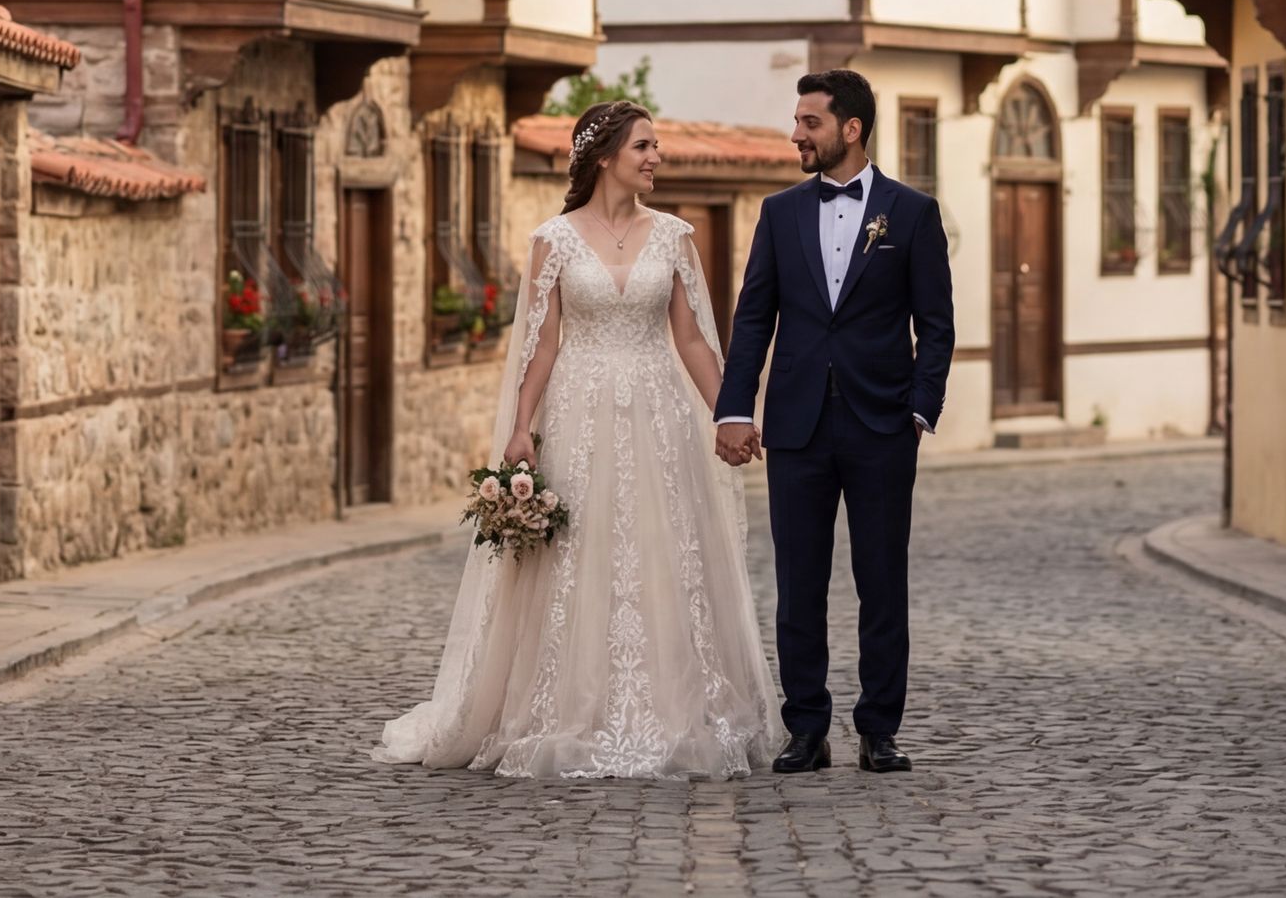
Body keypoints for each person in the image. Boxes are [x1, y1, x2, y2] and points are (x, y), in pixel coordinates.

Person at [378, 100, 782, 779]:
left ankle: (676, 705)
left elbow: (691, 338)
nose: (656, 157)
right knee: (579, 553)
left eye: (656, 146)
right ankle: (569, 706)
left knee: (661, 551)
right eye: (644, 146)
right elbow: (541, 344)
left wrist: (730, 414)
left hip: (658, 414)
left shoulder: (674, 236)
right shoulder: (554, 240)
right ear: (605, 156)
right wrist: (521, 428)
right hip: (579, 413)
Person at [714, 68, 955, 775]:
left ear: (851, 128)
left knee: (881, 580)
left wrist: (919, 408)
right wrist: (735, 408)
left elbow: (936, 324)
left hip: (883, 424)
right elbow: (753, 318)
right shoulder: (780, 213)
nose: (796, 133)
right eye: (797, 120)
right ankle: (806, 728)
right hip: (797, 426)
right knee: (799, 583)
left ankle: (879, 728)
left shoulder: (913, 213)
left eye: (809, 121)